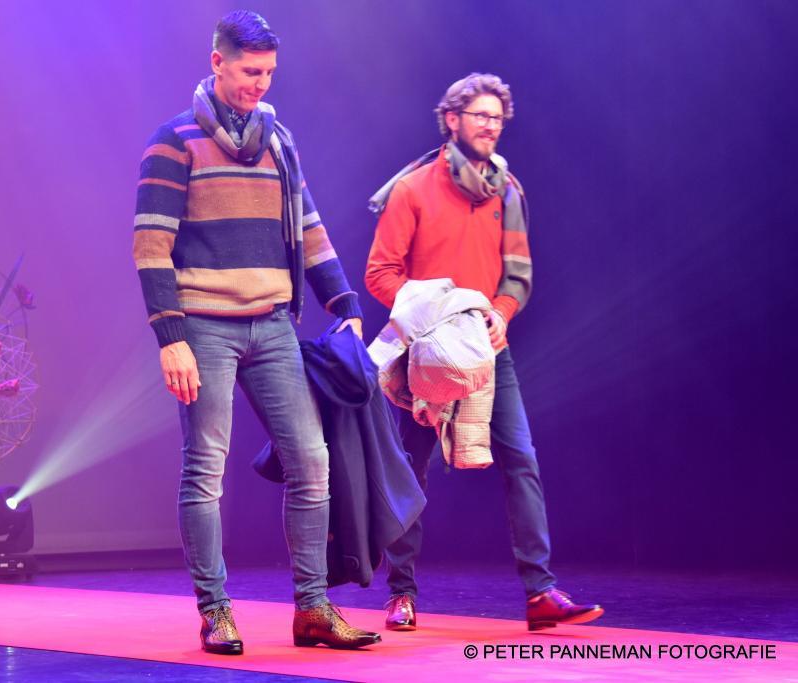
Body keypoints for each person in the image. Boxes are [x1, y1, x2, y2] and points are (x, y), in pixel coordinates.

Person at [133, 10, 380, 654]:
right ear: (217, 62)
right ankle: (216, 611)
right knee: (205, 468)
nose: (260, 84)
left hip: (272, 325)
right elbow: (151, 248)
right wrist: (171, 338)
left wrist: (343, 300)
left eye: (269, 73)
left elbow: (309, 227)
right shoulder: (174, 141)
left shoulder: (280, 142)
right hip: (204, 328)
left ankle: (313, 609)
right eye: (249, 71)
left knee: (312, 462)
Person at [365, 73, 603, 632]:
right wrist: (433, 315)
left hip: (489, 349)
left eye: (498, 118)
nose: (491, 126)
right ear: (452, 120)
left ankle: (540, 593)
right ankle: (401, 593)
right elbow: (380, 273)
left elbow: (518, 273)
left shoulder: (507, 190)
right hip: (426, 354)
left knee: (521, 457)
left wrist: (500, 312)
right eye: (480, 116)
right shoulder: (412, 189)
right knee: (411, 466)